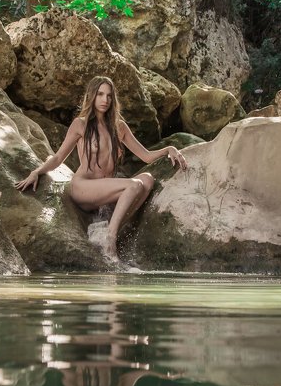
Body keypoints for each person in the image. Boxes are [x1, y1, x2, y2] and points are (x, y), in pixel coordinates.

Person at [15, 75, 188, 262]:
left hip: (105, 190)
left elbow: (146, 156)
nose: (105, 100)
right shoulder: (80, 124)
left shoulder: (119, 127)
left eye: (109, 95)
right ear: (92, 96)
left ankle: (110, 228)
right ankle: (110, 238)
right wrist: (36, 172)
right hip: (83, 187)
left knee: (147, 179)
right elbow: (58, 157)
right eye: (100, 94)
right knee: (134, 185)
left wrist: (169, 149)